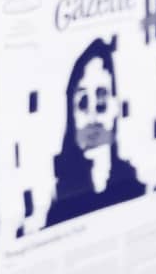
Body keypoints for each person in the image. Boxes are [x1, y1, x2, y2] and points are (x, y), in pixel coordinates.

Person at [45, 37, 148, 228]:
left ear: (115, 107)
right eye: (82, 101)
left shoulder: (135, 190)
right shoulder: (60, 207)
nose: (92, 115)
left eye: (101, 99)